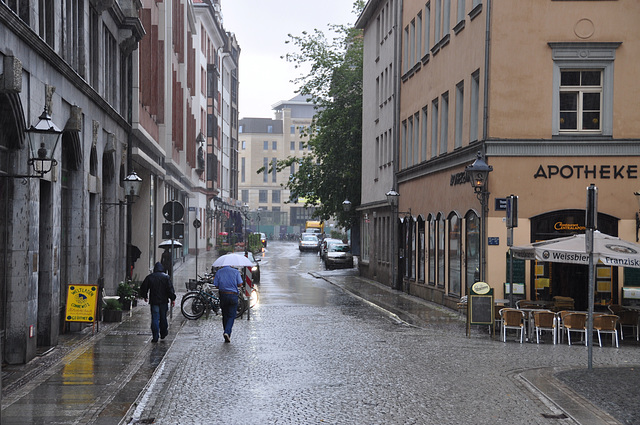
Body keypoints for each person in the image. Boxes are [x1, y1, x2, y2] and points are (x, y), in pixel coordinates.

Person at [139, 262, 176, 343]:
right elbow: (170, 289)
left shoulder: (150, 277)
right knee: (163, 317)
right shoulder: (166, 277)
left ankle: (155, 336)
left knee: (155, 318)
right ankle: (163, 332)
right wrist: (172, 299)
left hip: (154, 301)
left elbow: (144, 287)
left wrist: (145, 296)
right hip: (163, 301)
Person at [213, 265, 243, 343]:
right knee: (231, 315)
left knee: (225, 315)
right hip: (233, 295)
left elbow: (216, 285)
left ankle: (226, 332)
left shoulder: (219, 272)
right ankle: (227, 332)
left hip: (223, 295)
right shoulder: (236, 272)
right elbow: (240, 284)